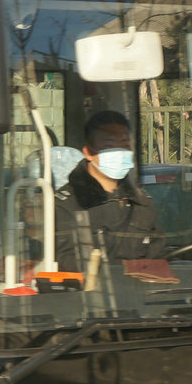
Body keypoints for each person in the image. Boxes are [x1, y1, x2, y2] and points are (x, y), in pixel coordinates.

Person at [49, 109, 165, 275]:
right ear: (88, 153)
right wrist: (124, 269)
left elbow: (159, 257)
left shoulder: (141, 202)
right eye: (109, 147)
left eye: (125, 146)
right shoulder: (66, 204)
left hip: (140, 290)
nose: (119, 153)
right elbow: (65, 262)